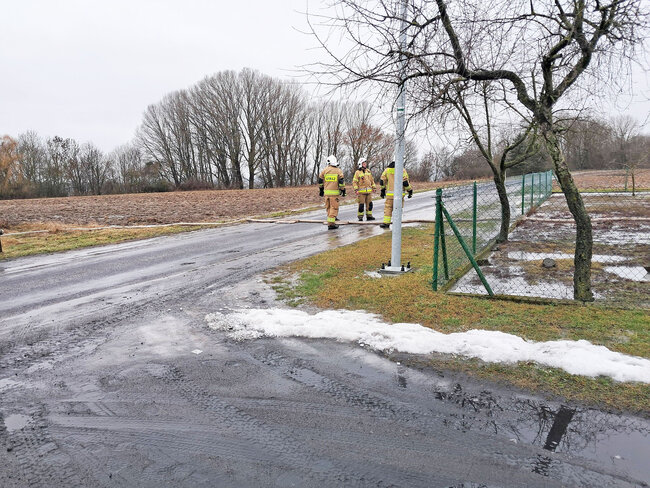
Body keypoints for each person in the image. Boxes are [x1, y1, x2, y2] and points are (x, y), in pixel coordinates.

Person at [379, 161, 413, 229]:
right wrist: (410, 190)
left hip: (390, 195)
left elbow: (382, 181)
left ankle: (386, 223)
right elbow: (405, 182)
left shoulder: (387, 170)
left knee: (388, 208)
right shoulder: (402, 170)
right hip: (399, 195)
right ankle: (397, 223)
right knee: (398, 209)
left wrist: (382, 190)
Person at [318, 155, 346, 230]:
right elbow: (341, 182)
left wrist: (321, 190)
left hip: (326, 194)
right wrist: (343, 190)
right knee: (334, 208)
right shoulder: (338, 171)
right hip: (334, 194)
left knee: (329, 208)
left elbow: (320, 181)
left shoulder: (324, 170)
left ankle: (332, 220)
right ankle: (331, 224)